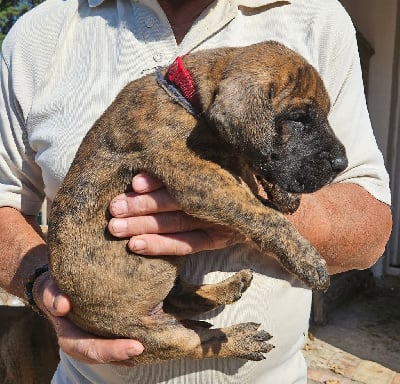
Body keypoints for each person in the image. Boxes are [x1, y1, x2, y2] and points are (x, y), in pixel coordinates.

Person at [0, 0, 392, 382]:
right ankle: (212, 340)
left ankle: (190, 300)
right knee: (165, 332)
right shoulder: (42, 33)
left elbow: (372, 228)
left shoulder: (317, 16)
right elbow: (6, 202)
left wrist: (288, 213)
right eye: (299, 120)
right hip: (102, 352)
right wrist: (43, 288)